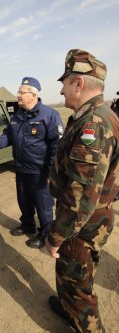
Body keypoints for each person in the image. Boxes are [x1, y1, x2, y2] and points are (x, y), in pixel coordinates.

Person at [45, 49, 119, 333]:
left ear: (79, 83)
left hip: (82, 222)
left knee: (79, 286)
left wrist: (56, 235)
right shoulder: (96, 115)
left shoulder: (93, 124)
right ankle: (68, 310)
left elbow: (81, 194)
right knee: (71, 276)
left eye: (64, 82)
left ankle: (86, 323)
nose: (61, 90)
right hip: (88, 218)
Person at [0, 77, 64, 248]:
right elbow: (8, 135)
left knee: (44, 206)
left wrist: (50, 174)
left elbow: (57, 147)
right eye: (18, 92)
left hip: (40, 171)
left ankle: (45, 234)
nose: (17, 95)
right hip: (21, 169)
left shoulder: (49, 115)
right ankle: (27, 225)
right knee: (24, 201)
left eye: (21, 92)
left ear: (33, 95)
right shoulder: (17, 115)